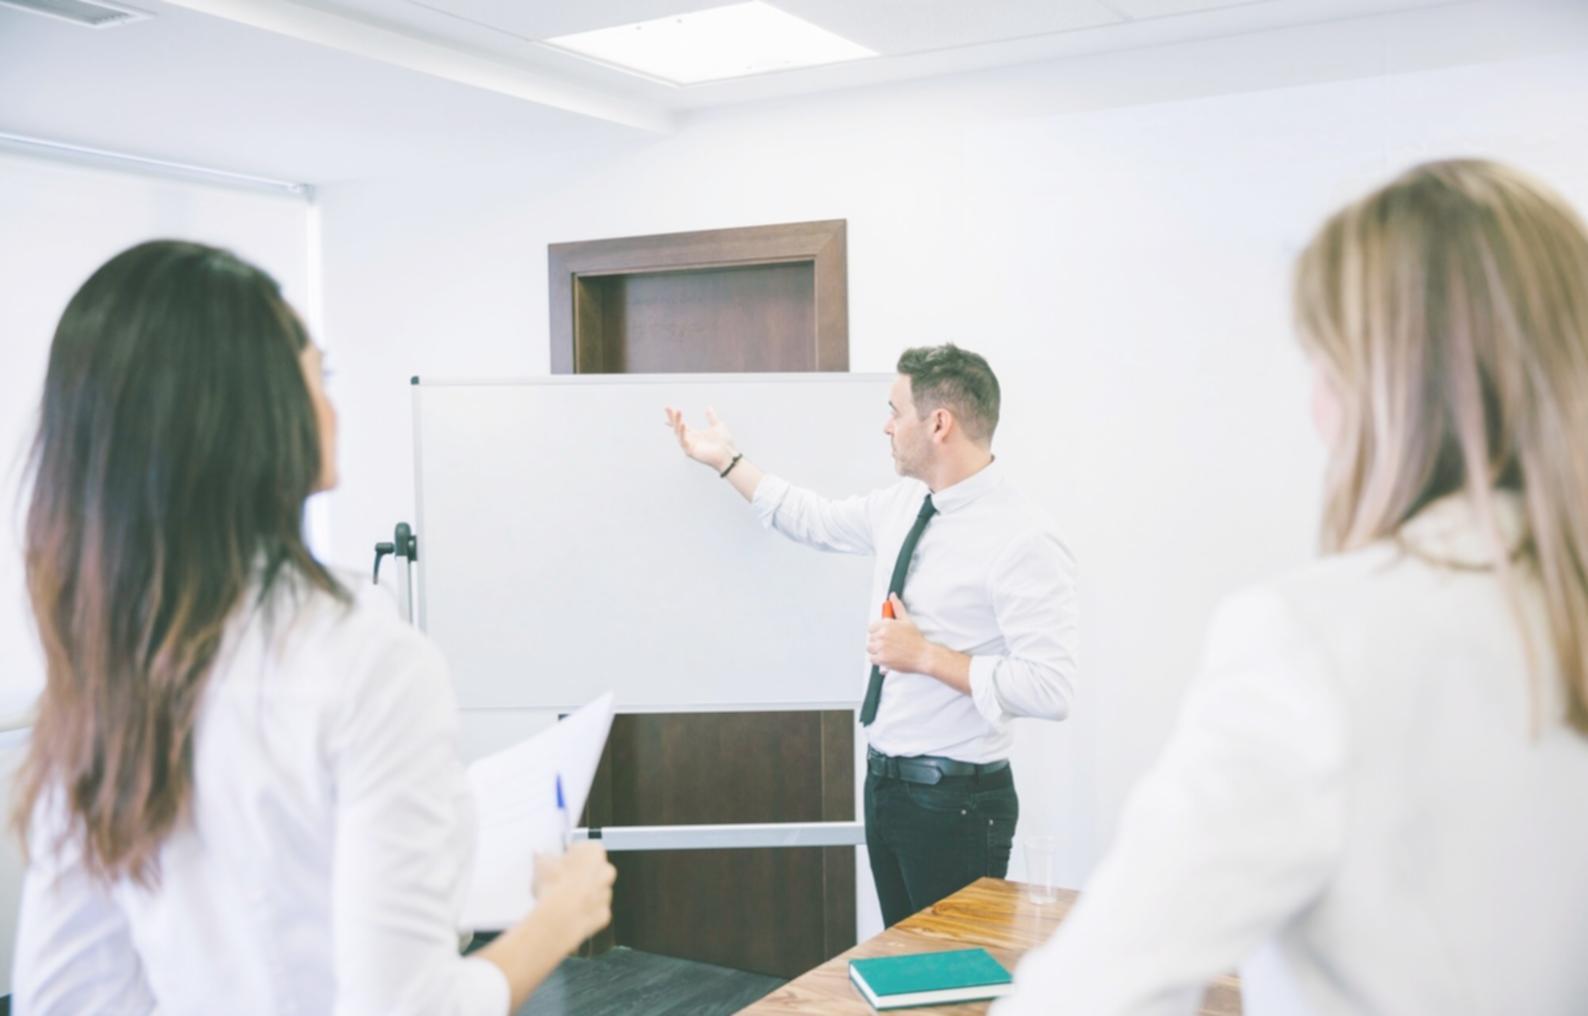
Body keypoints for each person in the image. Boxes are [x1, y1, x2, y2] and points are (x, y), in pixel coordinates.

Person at [993, 160, 1588, 1014]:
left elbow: (1092, 995)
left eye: (1324, 364)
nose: (1316, 407)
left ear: (1385, 388)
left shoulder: (1317, 637)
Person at [11, 240, 615, 1015]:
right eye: (317, 376)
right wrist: (556, 920)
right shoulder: (367, 664)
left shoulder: (106, 671)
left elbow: (66, 997)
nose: (331, 405)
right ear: (251, 415)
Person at [666, 344, 1078, 926]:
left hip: (956, 804)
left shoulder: (1022, 537)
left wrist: (926, 656)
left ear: (939, 423)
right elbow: (815, 519)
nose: (886, 426)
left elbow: (1050, 687)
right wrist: (728, 461)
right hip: (887, 787)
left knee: (954, 991)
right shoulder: (906, 503)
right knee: (908, 977)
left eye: (895, 410)